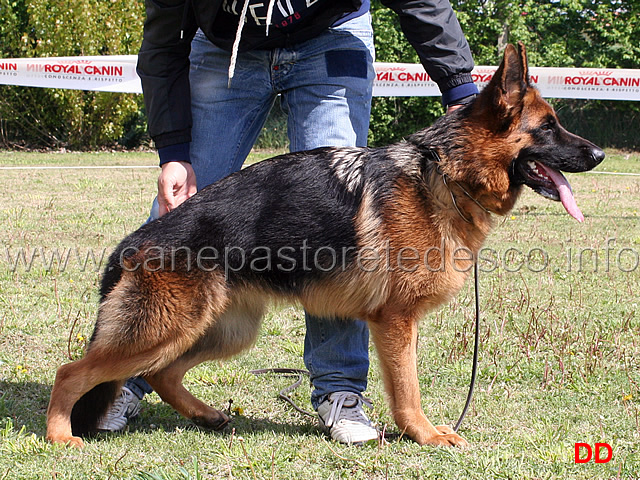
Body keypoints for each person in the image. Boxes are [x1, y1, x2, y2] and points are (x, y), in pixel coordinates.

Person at [97, 0, 478, 445]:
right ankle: (125, 378)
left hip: (332, 37)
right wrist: (174, 153)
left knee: (342, 226)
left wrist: (458, 87)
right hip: (226, 48)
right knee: (179, 214)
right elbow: (163, 38)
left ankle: (339, 391)